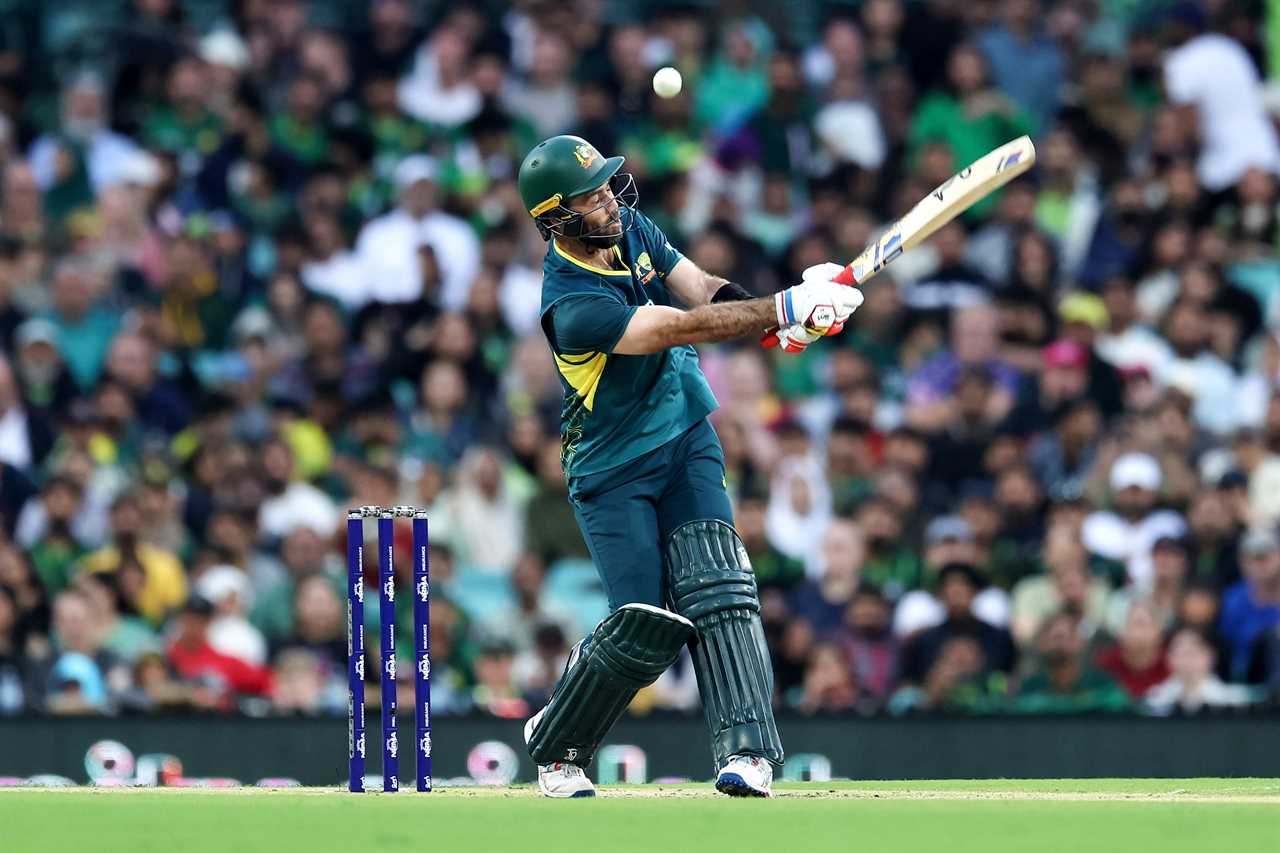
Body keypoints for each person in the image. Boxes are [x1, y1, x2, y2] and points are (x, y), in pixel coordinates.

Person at [516, 135, 863, 798]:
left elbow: (700, 289)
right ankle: (559, 744)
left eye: (607, 185)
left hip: (685, 436)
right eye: (589, 196)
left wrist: (780, 318)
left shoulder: (629, 225)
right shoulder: (572, 306)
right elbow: (672, 327)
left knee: (721, 585)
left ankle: (749, 753)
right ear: (556, 218)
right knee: (643, 623)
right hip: (611, 465)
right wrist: (785, 306)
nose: (608, 202)